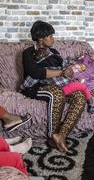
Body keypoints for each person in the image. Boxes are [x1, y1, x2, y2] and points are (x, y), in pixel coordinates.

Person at [20, 20, 87, 153]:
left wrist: (68, 71)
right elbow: (36, 73)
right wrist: (61, 72)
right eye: (50, 36)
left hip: (56, 83)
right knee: (56, 92)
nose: (53, 39)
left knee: (80, 95)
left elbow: (63, 67)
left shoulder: (54, 51)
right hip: (35, 87)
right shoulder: (28, 53)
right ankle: (52, 136)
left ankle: (61, 135)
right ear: (40, 38)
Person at [24, 47, 94, 113]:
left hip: (65, 85)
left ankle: (90, 102)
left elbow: (68, 65)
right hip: (60, 90)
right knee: (82, 86)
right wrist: (23, 88)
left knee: (81, 87)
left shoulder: (58, 65)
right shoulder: (42, 71)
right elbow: (31, 79)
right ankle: (91, 106)